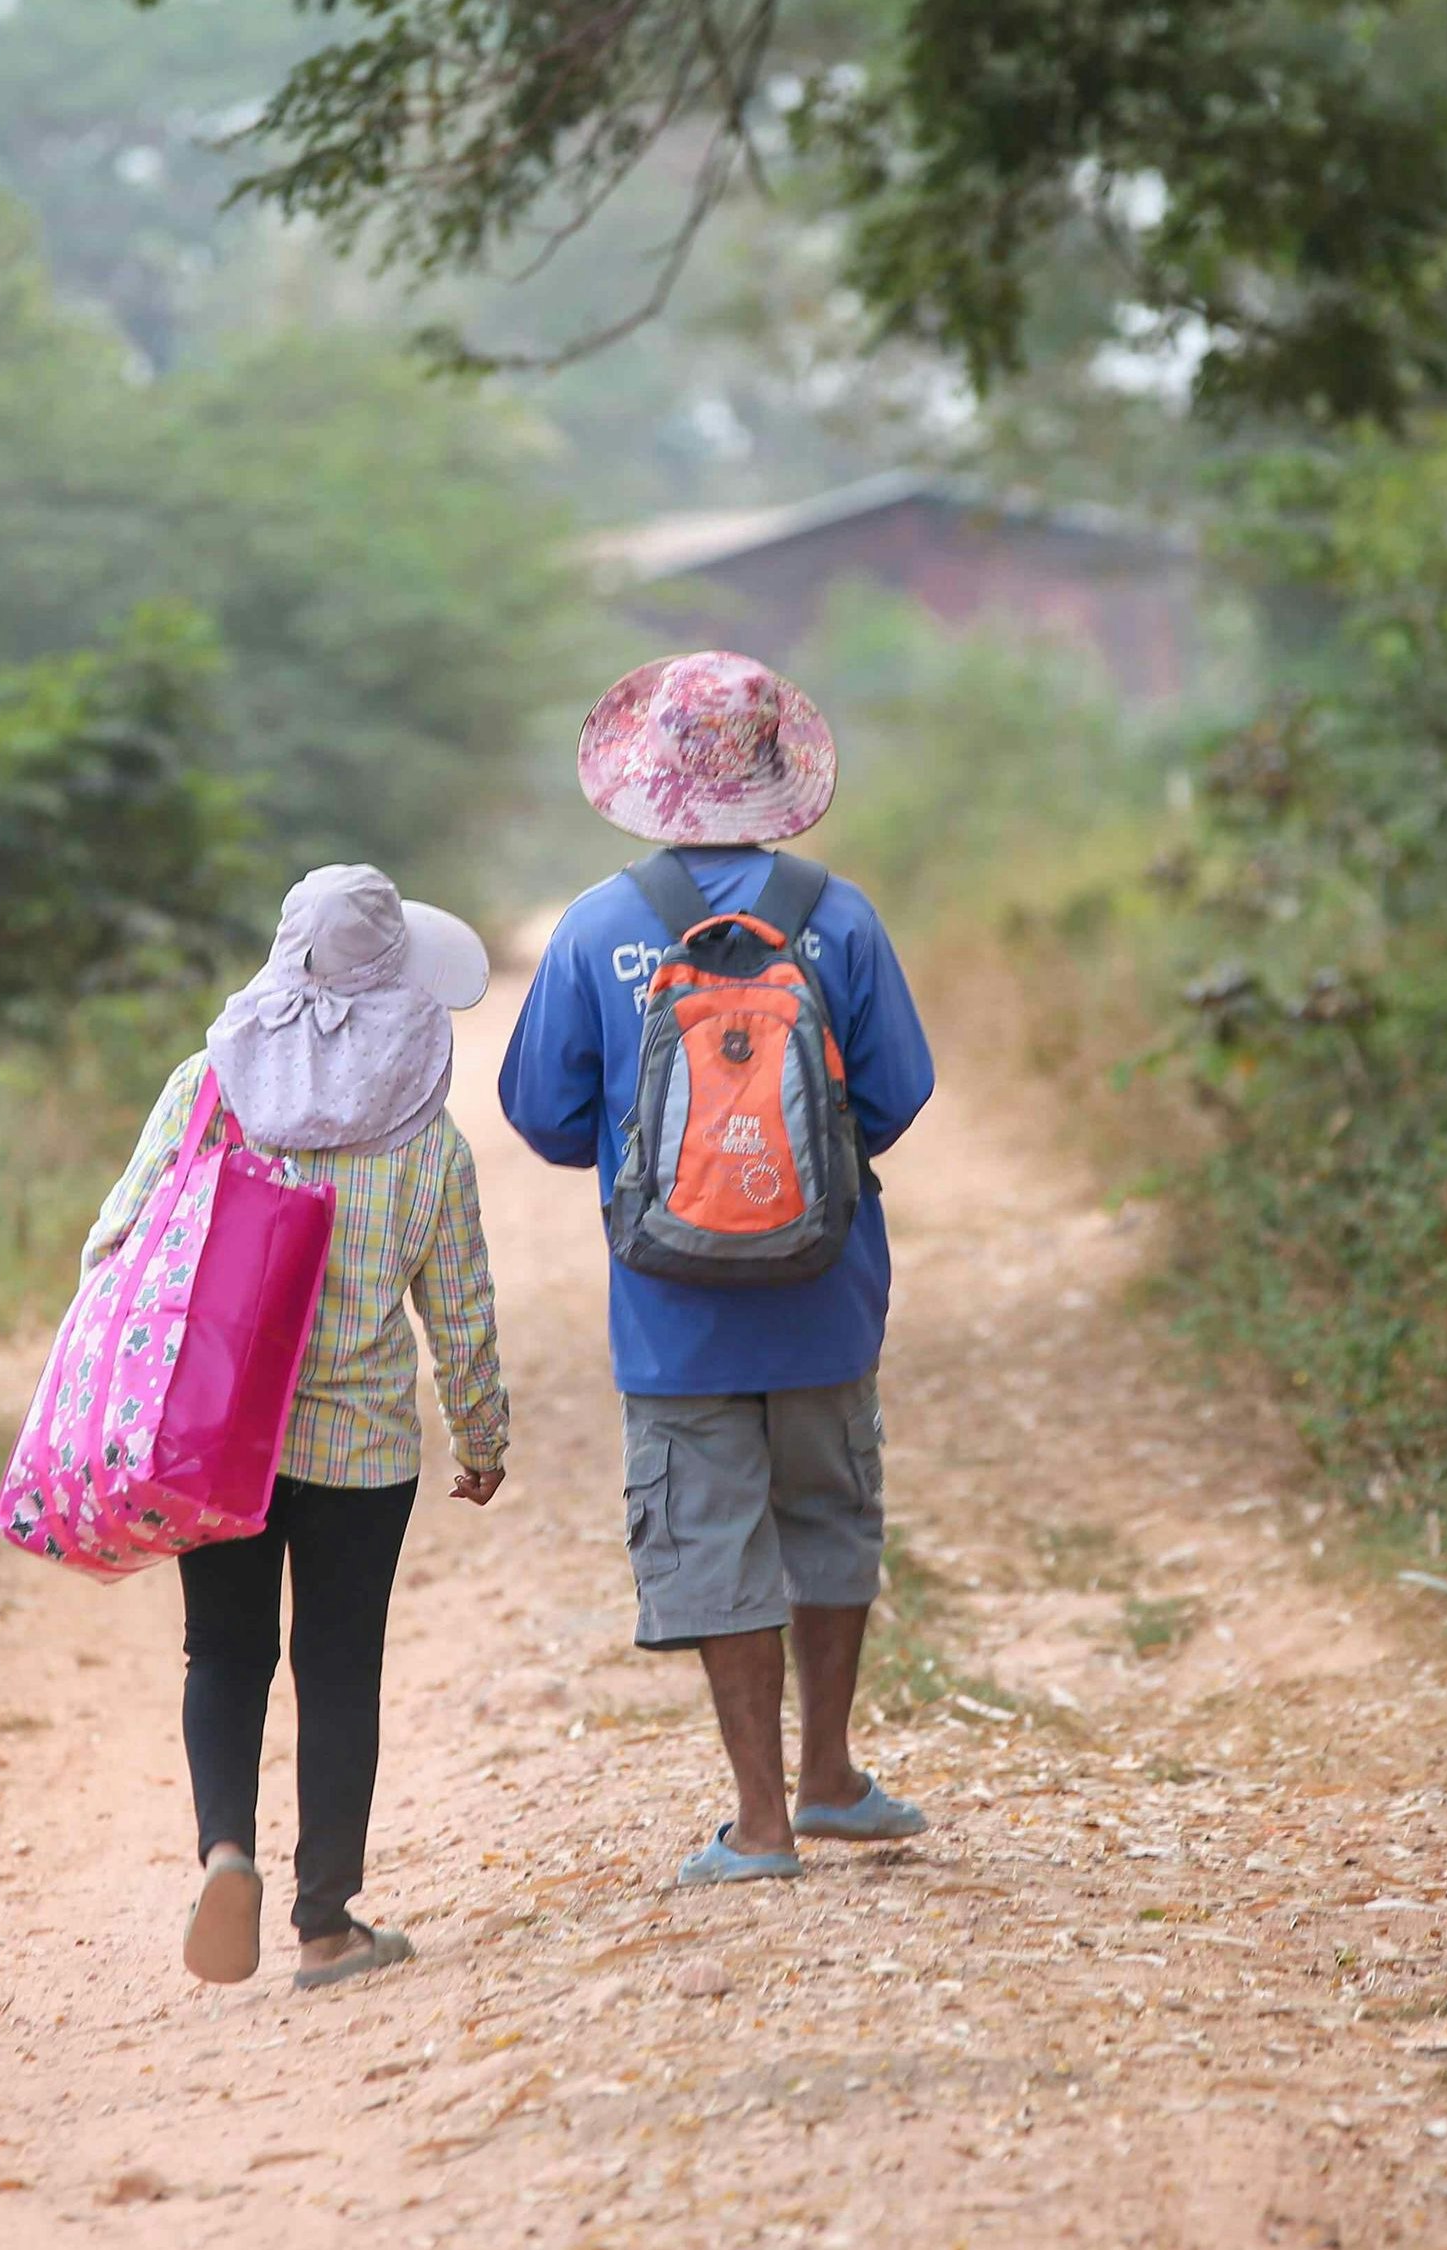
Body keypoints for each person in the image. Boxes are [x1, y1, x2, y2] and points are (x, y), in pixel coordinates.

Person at [497, 652, 938, 1886]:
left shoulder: (595, 928)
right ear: (776, 768)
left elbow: (537, 1113)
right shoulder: (837, 917)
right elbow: (897, 1096)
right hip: (825, 1290)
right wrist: (788, 1175)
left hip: (668, 1303)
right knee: (826, 1514)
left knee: (711, 1537)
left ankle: (759, 1823)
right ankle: (833, 1775)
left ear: (646, 776)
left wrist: (664, 1172)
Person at [83, 864, 510, 1989]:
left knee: (222, 1651)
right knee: (337, 1667)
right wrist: (481, 1436)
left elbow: (116, 1241)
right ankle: (326, 1923)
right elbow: (457, 1310)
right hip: (361, 1453)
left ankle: (226, 1851)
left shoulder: (208, 1085)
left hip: (219, 1440)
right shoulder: (427, 1133)